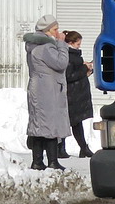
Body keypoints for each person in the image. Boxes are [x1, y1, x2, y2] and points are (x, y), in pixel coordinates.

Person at [23, 14, 71, 170]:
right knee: (51, 125)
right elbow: (61, 63)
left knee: (39, 125)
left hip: (39, 87)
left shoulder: (33, 45)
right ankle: (52, 161)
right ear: (48, 30)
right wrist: (62, 44)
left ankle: (37, 161)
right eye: (55, 29)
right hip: (48, 90)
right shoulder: (45, 46)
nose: (58, 33)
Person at [63, 30, 95, 159]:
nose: (79, 46)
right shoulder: (69, 56)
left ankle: (82, 148)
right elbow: (69, 76)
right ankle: (82, 148)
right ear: (70, 43)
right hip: (73, 94)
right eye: (78, 44)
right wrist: (84, 68)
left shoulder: (73, 55)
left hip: (76, 94)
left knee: (75, 122)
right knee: (73, 122)